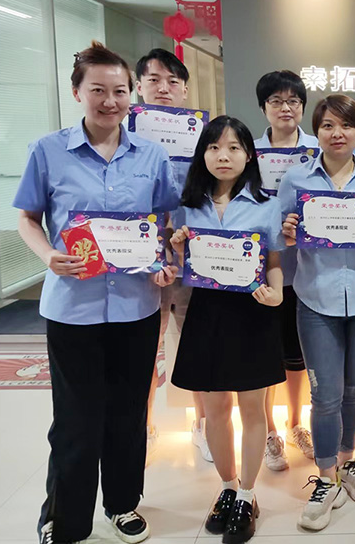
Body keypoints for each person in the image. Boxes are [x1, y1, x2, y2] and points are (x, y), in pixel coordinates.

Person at [15, 42, 180, 544]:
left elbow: (165, 221)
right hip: (73, 307)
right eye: (98, 90)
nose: (110, 101)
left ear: (132, 94)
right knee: (76, 418)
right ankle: (64, 518)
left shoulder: (151, 155)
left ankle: (123, 504)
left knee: (128, 414)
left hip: (135, 306)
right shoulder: (48, 151)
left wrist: (165, 262)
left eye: (120, 91)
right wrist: (48, 255)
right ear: (77, 93)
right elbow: (27, 218)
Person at [170, 116, 285, 543]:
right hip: (207, 312)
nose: (224, 155)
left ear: (249, 155)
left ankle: (249, 495)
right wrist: (176, 248)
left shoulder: (266, 204)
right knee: (215, 409)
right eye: (215, 147)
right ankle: (227, 487)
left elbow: (274, 263)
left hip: (253, 312)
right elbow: (179, 267)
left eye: (234, 147)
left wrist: (277, 294)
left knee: (253, 409)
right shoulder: (188, 205)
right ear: (203, 153)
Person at [278, 94, 355, 532]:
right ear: (317, 132)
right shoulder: (296, 179)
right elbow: (279, 237)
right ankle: (326, 478)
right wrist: (288, 232)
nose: (337, 133)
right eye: (327, 125)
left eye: (346, 126)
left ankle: (346, 462)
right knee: (324, 394)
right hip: (316, 299)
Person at [135, 48, 211, 463]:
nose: (163, 88)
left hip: (194, 254)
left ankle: (203, 425)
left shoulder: (204, 137)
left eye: (173, 82)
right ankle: (143, 425)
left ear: (184, 90)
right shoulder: (125, 138)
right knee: (145, 343)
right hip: (140, 258)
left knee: (195, 340)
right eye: (154, 80)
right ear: (139, 87)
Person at [254, 70, 319, 470]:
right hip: (262, 270)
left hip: (307, 270)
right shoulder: (248, 151)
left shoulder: (319, 150)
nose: (285, 108)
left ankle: (296, 423)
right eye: (276, 101)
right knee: (265, 355)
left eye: (293, 101)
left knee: (298, 357)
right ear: (264, 107)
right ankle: (268, 431)